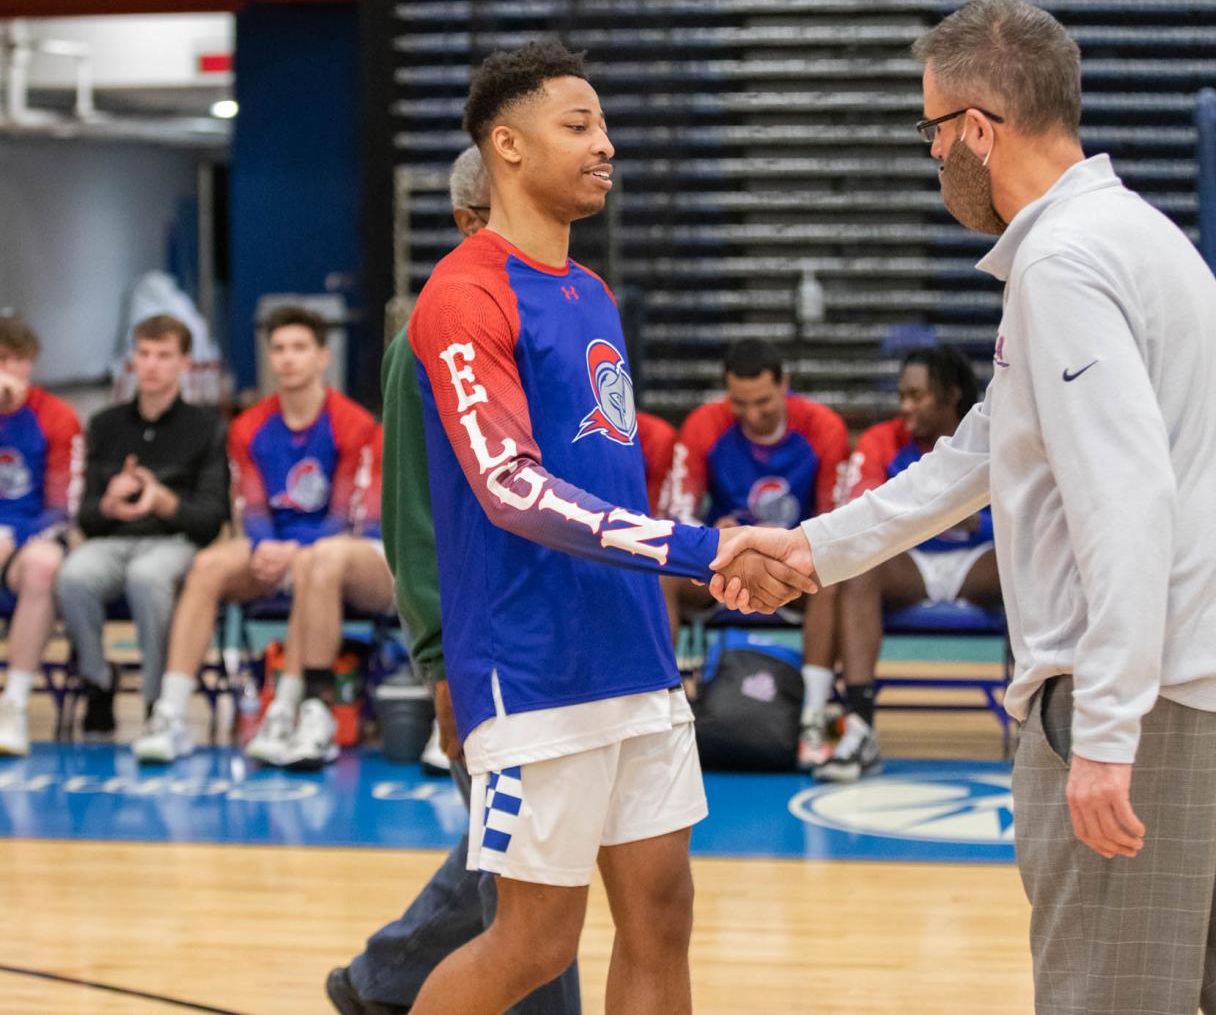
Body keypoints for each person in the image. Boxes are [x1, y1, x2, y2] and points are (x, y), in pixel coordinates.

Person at [713, 0, 1216, 1014]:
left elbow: (1126, 500)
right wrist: (811, 549)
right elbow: (976, 455)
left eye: (930, 133)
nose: (932, 162)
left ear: (975, 127)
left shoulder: (1061, 265)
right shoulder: (1133, 235)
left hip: (1148, 690)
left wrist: (1105, 726)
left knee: (1108, 994)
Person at [396, 52, 811, 1015]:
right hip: (532, 667)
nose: (605, 143)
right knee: (534, 944)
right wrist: (702, 550)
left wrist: (709, 566)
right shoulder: (462, 297)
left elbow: (605, 485)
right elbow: (511, 488)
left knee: (662, 917)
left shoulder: (591, 291)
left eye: (601, 124)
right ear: (507, 145)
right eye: (578, 125)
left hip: (632, 651)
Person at [327, 146, 584, 1015]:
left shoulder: (568, 306)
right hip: (492, 651)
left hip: (568, 633)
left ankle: (379, 983)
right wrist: (440, 661)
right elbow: (412, 518)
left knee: (514, 844)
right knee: (529, 894)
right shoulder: (430, 333)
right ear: (476, 219)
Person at [131, 305, 390, 769]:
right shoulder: (249, 427)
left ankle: (288, 711)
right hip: (274, 549)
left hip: (344, 552)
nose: (287, 358)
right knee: (208, 565)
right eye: (278, 349)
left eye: (299, 348)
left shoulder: (355, 425)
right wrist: (267, 545)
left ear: (322, 358)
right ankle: (170, 713)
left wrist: (293, 551)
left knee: (317, 563)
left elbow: (354, 515)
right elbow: (248, 506)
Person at [660, 339, 848, 769]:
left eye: (763, 401)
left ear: (785, 384)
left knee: (836, 576)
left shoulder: (823, 427)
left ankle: (814, 718)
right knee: (659, 573)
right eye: (740, 403)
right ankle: (664, 712)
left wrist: (774, 540)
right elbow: (678, 517)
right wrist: (713, 536)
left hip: (792, 564)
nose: (753, 414)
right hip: (721, 563)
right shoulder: (705, 425)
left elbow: (837, 522)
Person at [821, 344, 1002, 782]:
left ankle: (1049, 715)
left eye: (916, 396)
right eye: (902, 395)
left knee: (1038, 561)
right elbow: (857, 512)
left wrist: (975, 521)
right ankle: (859, 727)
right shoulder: (882, 441)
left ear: (951, 396)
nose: (905, 407)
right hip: (912, 565)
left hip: (982, 562)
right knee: (857, 564)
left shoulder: (998, 436)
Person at [56, 314, 229, 735]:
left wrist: (164, 501)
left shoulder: (208, 427)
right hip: (114, 541)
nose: (151, 365)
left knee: (147, 577)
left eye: (163, 355)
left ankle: (157, 701)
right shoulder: (105, 424)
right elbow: (86, 517)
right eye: (144, 354)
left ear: (185, 363)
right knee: (73, 576)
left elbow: (209, 522)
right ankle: (99, 681)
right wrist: (111, 504)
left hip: (175, 541)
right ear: (132, 360)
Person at [0, 315, 82, 756]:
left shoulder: (56, 417)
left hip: (33, 536)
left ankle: (12, 704)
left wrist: (13, 535)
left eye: (14, 360)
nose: (6, 370)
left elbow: (61, 505)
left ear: (30, 364)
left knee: (43, 568)